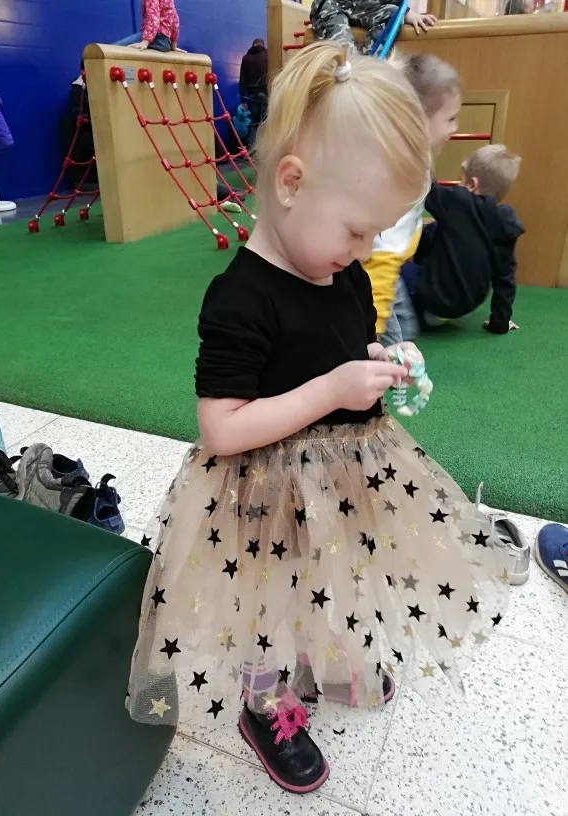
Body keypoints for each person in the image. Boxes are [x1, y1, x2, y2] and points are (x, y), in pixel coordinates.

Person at [126, 43, 509, 794]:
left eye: (377, 234)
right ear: (292, 184)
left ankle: (327, 657)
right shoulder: (239, 298)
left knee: (333, 575)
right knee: (268, 598)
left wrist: (384, 360)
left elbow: (344, 348)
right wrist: (334, 387)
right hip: (260, 496)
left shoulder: (342, 273)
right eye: (357, 230)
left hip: (342, 481)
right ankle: (265, 701)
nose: (364, 250)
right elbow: (221, 428)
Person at [365, 54, 462, 345]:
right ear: (417, 119)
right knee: (393, 344)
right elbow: (381, 253)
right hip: (374, 272)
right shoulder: (403, 173)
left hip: (389, 268)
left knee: (406, 330)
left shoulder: (414, 159)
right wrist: (375, 326)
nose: (455, 128)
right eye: (450, 119)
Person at [400, 144, 524, 336]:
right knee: (434, 229)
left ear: (472, 185)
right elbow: (505, 279)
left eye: (461, 180)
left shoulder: (459, 201)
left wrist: (413, 152)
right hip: (467, 303)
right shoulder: (505, 226)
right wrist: (500, 323)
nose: (458, 185)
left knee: (393, 269)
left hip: (433, 297)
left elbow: (427, 189)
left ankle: (417, 309)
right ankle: (433, 308)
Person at [311, 0, 437, 53]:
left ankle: (371, 67)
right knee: (346, 54)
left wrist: (406, 12)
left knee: (394, 14)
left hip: (362, 7)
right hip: (332, 6)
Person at [115, 0, 181, 52]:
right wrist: (173, 45)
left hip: (155, 38)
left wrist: (145, 41)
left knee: (113, 48)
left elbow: (153, 17)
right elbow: (175, 20)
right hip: (165, 42)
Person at [239, 38, 268, 147]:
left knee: (254, 123)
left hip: (251, 95)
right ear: (262, 45)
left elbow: (242, 80)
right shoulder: (267, 55)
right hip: (265, 93)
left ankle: (250, 148)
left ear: (253, 45)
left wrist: (242, 100)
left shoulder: (246, 58)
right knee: (265, 122)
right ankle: (264, 149)